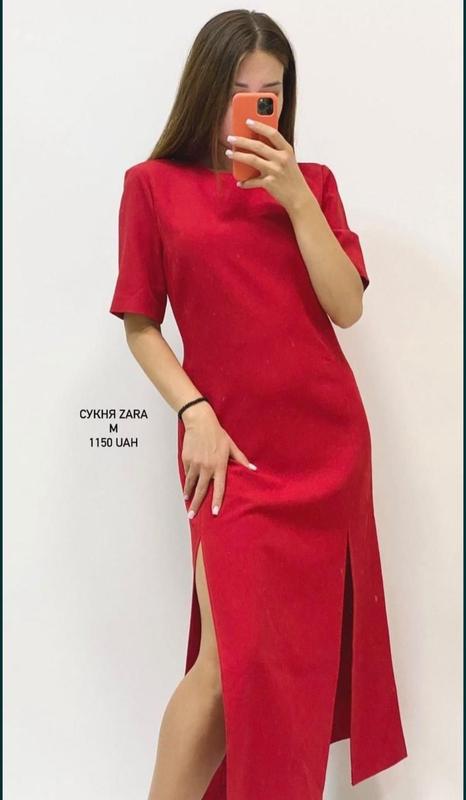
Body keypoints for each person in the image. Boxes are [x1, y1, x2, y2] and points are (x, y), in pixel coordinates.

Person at [109, 10, 408, 800]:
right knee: (223, 669)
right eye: (240, 89)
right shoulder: (151, 187)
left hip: (326, 450)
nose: (254, 106)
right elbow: (140, 325)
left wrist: (296, 199)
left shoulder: (314, 185)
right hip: (228, 454)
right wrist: (194, 411)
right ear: (207, 88)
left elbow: (347, 307)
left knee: (291, 667)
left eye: (270, 94)